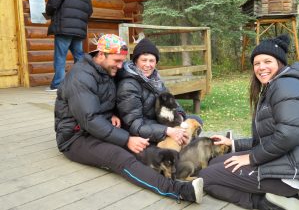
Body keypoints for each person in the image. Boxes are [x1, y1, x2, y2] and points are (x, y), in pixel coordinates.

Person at [54, 34, 203, 204]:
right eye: (117, 60)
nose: (121, 65)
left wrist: (112, 114)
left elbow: (104, 102)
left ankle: (185, 167)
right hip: (76, 137)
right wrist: (126, 140)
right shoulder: (80, 77)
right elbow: (90, 119)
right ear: (101, 54)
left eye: (122, 61)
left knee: (143, 147)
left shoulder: (107, 69)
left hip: (100, 126)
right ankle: (179, 191)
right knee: (120, 156)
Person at [197, 34, 299, 210]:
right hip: (281, 160)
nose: (261, 67)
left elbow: (289, 134)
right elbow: (266, 138)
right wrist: (233, 143)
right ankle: (271, 196)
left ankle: (269, 203)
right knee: (215, 163)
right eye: (257, 63)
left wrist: (251, 158)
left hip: (290, 173)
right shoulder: (274, 86)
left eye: (267, 61)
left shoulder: (284, 85)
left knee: (205, 177)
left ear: (280, 63)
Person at [116, 38, 203, 146]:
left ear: (156, 62)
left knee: (195, 120)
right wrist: (167, 130)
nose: (148, 65)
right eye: (144, 60)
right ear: (135, 61)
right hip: (141, 130)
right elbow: (135, 125)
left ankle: (182, 143)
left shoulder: (155, 80)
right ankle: (181, 146)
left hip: (159, 122)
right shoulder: (128, 85)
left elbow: (172, 103)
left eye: (151, 61)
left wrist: (179, 116)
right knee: (183, 133)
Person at [45, 0, 93, 91]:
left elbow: (53, 3)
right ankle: (81, 82)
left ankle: (58, 85)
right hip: (78, 30)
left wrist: (48, 13)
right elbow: (89, 11)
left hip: (64, 28)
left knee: (60, 56)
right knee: (79, 56)